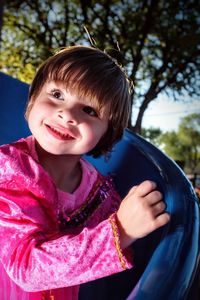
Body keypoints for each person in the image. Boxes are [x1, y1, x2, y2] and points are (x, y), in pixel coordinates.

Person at [0, 45, 170, 300]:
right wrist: (121, 231)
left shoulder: (100, 192)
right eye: (57, 94)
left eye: (89, 110)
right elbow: (26, 266)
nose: (67, 114)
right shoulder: (9, 168)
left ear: (107, 132)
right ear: (33, 98)